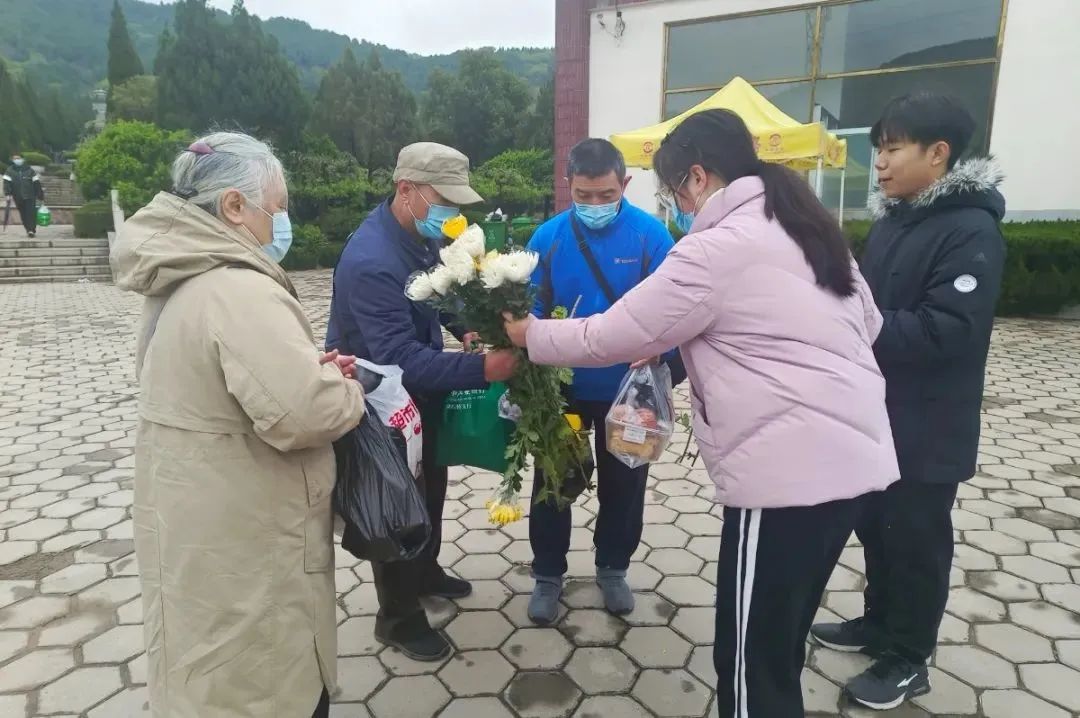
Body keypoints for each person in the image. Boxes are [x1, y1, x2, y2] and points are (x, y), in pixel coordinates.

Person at [504, 108, 900, 717]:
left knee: (749, 662)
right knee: (779, 644)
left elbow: (616, 333)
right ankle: (549, 571)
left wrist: (527, 335)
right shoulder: (807, 227)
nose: (679, 206)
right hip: (855, 463)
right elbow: (869, 324)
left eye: (674, 192)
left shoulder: (714, 247)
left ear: (696, 176)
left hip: (785, 473)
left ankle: (616, 568)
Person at [110, 132, 364, 718]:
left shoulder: (181, 275)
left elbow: (235, 384)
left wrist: (303, 368)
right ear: (233, 205)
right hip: (250, 535)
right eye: (276, 208)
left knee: (204, 672)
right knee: (265, 682)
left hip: (198, 521)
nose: (282, 222)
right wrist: (345, 388)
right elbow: (305, 413)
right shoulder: (237, 287)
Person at [811, 93, 1006, 711]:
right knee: (876, 527)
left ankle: (908, 658)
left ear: (938, 153)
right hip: (878, 414)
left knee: (916, 541)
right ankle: (878, 624)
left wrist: (856, 325)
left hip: (928, 426)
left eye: (893, 149)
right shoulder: (897, 220)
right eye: (879, 150)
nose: (881, 163)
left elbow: (949, 329)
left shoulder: (971, 229)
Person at [325, 141, 518, 661]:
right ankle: (398, 619)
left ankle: (425, 572)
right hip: (379, 404)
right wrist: (486, 367)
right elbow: (400, 359)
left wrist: (467, 329)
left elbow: (440, 294)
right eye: (444, 201)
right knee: (396, 507)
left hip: (417, 396)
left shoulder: (419, 237)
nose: (450, 213)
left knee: (430, 484)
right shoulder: (372, 261)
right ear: (405, 190)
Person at [525, 138, 677, 623]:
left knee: (625, 485)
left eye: (606, 195)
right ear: (567, 185)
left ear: (625, 184)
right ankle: (548, 573)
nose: (594, 205)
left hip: (629, 392)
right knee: (554, 482)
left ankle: (613, 567)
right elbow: (528, 310)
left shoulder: (652, 237)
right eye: (583, 196)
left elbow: (679, 311)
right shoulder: (547, 238)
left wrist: (663, 354)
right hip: (562, 392)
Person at [3, 153, 45, 237]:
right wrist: (7, 194)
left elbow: (36, 183)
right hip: (18, 196)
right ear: (12, 160)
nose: (17, 160)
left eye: (18, 158)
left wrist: (40, 194)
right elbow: (6, 183)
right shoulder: (9, 171)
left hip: (30, 195)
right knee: (23, 214)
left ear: (23, 159)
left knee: (31, 213)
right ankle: (28, 229)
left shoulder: (29, 170)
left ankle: (31, 230)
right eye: (15, 159)